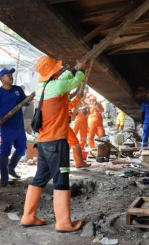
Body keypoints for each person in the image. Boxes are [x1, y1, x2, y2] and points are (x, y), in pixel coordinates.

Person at [20, 56, 88, 232]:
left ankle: (27, 216)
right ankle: (64, 223)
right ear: (54, 72)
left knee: (40, 178)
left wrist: (73, 69)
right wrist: (80, 69)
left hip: (43, 143)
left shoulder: (41, 87)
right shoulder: (57, 86)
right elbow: (76, 81)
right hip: (57, 143)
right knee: (61, 180)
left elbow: (64, 80)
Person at [0, 68, 27, 186]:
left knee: (22, 149)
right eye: (7, 75)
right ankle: (4, 177)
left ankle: (11, 167)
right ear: (1, 79)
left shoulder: (18, 90)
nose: (10, 77)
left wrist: (29, 99)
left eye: (11, 75)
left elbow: (26, 101)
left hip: (19, 126)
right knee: (5, 151)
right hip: (7, 127)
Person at [67, 94, 90, 168]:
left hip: (62, 124)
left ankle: (78, 162)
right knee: (74, 143)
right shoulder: (61, 99)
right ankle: (79, 163)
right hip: (63, 125)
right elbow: (69, 106)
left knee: (69, 142)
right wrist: (78, 97)